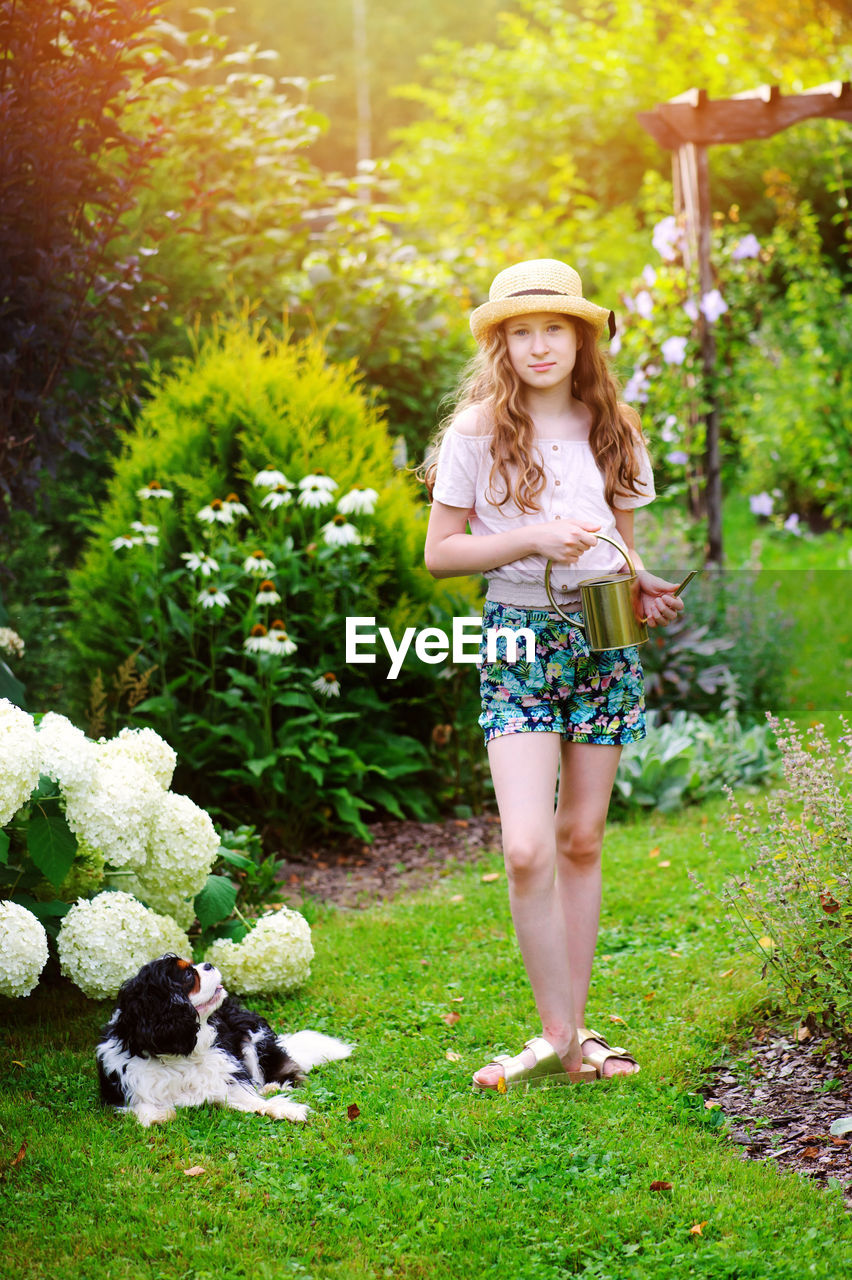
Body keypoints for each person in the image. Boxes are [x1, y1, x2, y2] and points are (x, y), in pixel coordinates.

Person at [422, 259, 684, 1091]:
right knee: (528, 846)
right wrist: (533, 536)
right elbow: (441, 553)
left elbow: (621, 541)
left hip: (602, 640)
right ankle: (569, 1041)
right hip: (517, 641)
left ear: (582, 337)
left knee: (580, 838)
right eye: (522, 330)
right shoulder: (473, 433)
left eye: (555, 328)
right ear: (501, 343)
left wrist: (641, 581)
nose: (539, 346)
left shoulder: (615, 428)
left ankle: (567, 1042)